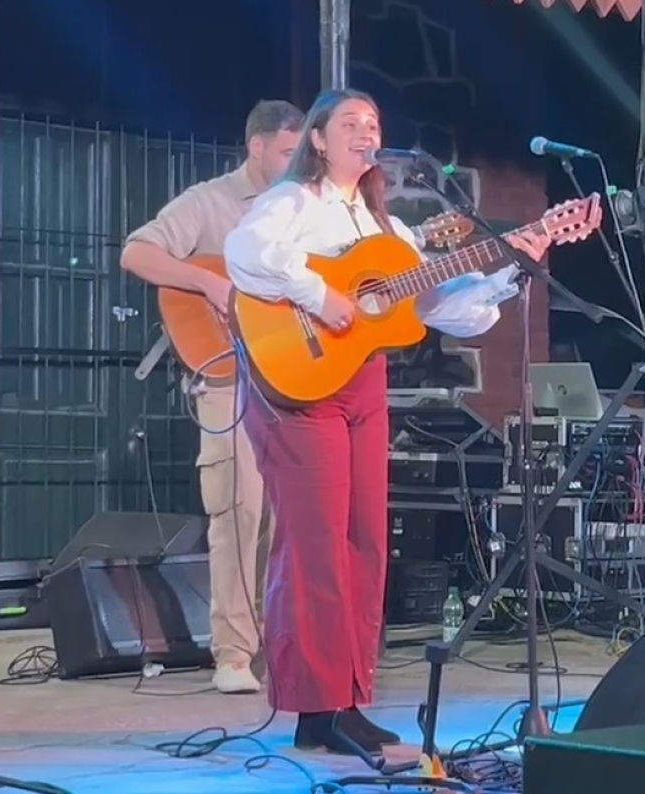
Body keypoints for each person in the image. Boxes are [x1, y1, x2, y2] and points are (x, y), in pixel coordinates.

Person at [224, 88, 552, 753]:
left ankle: (340, 703)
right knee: (315, 545)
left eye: (373, 123)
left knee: (366, 542)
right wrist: (320, 294)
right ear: (317, 138)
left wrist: (509, 268)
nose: (366, 131)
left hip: (362, 384)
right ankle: (318, 704)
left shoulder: (388, 229)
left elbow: (436, 305)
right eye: (350, 121)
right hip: (302, 384)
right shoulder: (294, 201)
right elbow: (244, 253)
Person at [120, 100, 304, 695]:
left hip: (295, 378)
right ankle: (232, 652)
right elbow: (137, 251)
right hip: (229, 378)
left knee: (289, 519)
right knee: (238, 511)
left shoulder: (306, 211)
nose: (295, 162)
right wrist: (209, 281)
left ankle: (283, 645)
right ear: (256, 147)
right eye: (285, 151)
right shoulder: (208, 202)